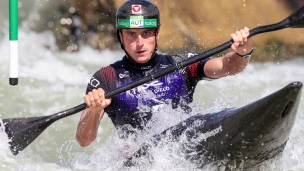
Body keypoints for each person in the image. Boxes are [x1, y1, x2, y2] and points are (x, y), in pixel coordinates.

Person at [76, 0, 254, 147]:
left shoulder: (181, 64)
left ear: (157, 34)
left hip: (184, 148)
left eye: (146, 33)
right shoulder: (106, 78)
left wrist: (243, 51)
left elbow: (227, 66)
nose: (139, 43)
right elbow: (84, 140)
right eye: (131, 34)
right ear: (120, 37)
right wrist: (94, 110)